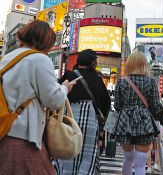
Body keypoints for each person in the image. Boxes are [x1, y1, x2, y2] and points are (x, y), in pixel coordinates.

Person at [0, 20, 75, 174]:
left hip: (5, 131)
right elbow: (53, 100)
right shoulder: (40, 59)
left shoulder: (8, 58)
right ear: (45, 41)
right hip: (24, 137)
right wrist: (65, 88)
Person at [56, 49, 111, 175]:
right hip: (89, 122)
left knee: (66, 149)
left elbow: (57, 95)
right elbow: (106, 104)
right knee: (87, 154)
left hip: (68, 120)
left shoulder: (69, 75)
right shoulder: (97, 80)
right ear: (93, 62)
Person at [113, 51, 163, 175]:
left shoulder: (121, 82)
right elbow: (156, 106)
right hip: (144, 122)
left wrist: (128, 110)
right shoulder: (151, 82)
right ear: (144, 64)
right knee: (140, 163)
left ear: (129, 64)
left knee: (128, 159)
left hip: (125, 122)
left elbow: (117, 106)